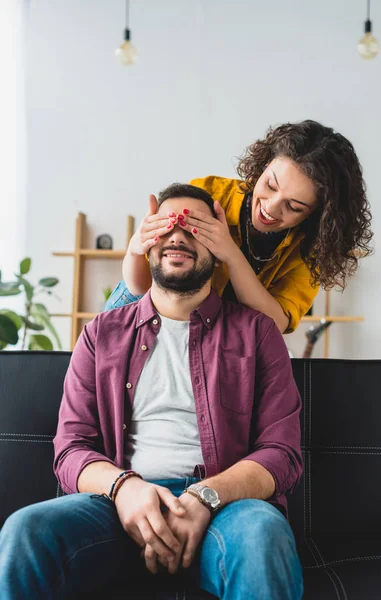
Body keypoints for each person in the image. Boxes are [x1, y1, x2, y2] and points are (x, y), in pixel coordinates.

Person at [0, 184, 303, 600]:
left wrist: (204, 497)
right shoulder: (100, 334)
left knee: (262, 534)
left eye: (196, 227)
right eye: (166, 225)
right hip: (120, 504)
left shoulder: (258, 333)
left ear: (218, 247)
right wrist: (125, 488)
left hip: (225, 508)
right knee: (25, 530)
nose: (178, 235)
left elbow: (281, 452)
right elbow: (71, 448)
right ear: (148, 240)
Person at [106, 119, 373, 333]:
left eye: (294, 207)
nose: (270, 207)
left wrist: (230, 254)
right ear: (265, 164)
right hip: (149, 310)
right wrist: (135, 248)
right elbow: (142, 285)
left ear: (318, 215)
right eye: (270, 185)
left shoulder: (311, 250)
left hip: (220, 338)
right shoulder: (208, 195)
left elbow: (276, 323)